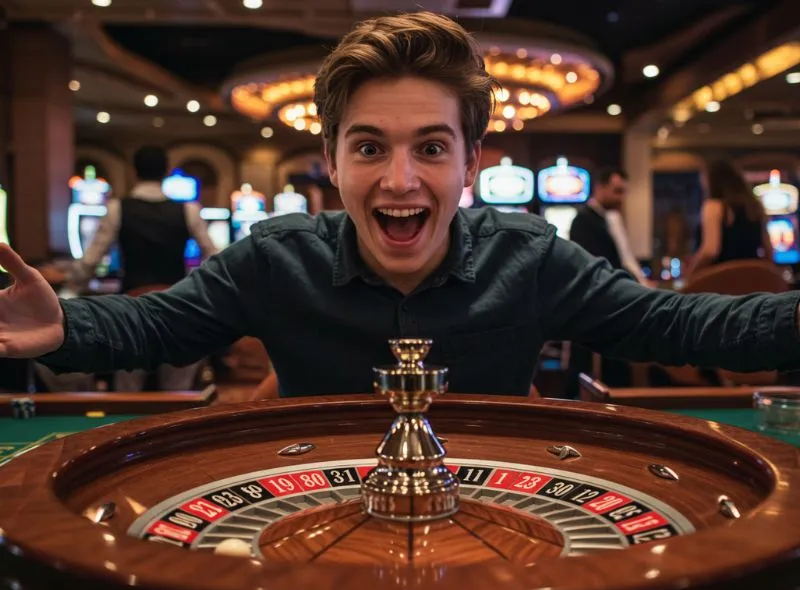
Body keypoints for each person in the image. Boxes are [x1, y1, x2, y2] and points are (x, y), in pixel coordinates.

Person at [1, 11, 800, 399]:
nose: (400, 180)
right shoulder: (276, 257)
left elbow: (684, 325)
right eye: (370, 147)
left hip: (496, 527)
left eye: (431, 147)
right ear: (332, 162)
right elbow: (152, 325)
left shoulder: (533, 256)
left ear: (470, 162)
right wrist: (61, 326)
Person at [58, 145, 218, 392]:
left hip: (132, 310)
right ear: (166, 171)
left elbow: (90, 261)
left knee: (127, 392)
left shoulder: (117, 208)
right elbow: (214, 257)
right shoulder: (188, 209)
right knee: (178, 394)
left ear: (134, 172)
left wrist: (69, 290)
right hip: (177, 308)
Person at [685, 159, 772, 279]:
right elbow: (768, 251)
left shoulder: (714, 206)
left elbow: (711, 250)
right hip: (750, 282)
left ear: (713, 180)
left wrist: (690, 276)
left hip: (721, 283)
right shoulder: (755, 207)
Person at [569, 167, 652, 287]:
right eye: (617, 191)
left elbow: (625, 258)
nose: (621, 198)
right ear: (600, 188)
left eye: (624, 192)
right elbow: (596, 268)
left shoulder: (612, 218)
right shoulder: (582, 221)